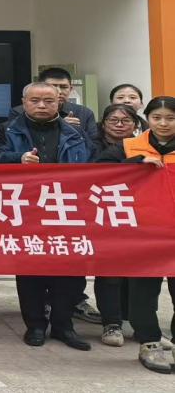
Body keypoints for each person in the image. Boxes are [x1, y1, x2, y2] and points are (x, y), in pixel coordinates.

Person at [0, 83, 92, 351]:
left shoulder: (76, 133)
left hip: (67, 210)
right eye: (35, 100)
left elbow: (94, 163)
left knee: (69, 272)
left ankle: (64, 325)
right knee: (30, 271)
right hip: (25, 209)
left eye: (48, 101)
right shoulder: (7, 130)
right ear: (24, 102)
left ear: (59, 102)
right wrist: (17, 159)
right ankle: (35, 325)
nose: (41, 105)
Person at [97, 96, 175, 374]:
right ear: (147, 119)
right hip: (143, 233)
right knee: (143, 291)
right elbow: (96, 174)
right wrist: (135, 164)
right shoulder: (128, 146)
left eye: (170, 118)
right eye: (157, 118)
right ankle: (150, 341)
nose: (163, 123)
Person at [89, 103, 139, 346]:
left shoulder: (146, 146)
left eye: (125, 121)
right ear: (104, 123)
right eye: (113, 120)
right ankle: (111, 322)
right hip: (103, 216)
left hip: (140, 217)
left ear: (135, 125)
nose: (119, 125)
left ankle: (136, 320)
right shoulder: (90, 146)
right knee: (109, 272)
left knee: (139, 273)